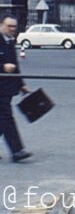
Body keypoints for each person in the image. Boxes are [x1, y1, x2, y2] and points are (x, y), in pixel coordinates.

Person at [0, 15, 32, 162]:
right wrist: (2, 67)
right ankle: (17, 151)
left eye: (14, 26)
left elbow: (15, 65)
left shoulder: (10, 41)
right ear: (1, 25)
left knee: (2, 120)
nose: (13, 29)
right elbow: (8, 66)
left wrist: (22, 85)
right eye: (9, 26)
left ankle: (17, 150)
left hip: (7, 87)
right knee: (6, 118)